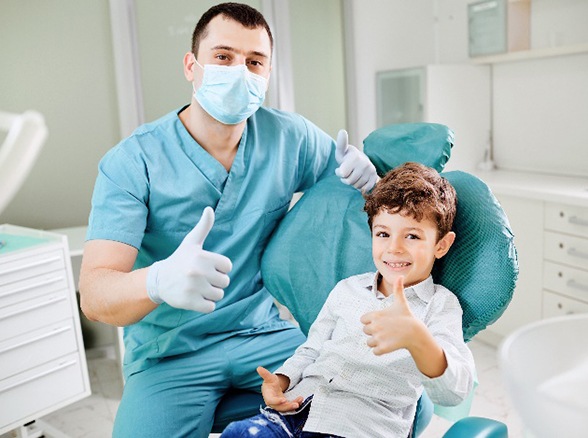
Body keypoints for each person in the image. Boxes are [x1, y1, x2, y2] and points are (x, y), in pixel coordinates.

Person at [78, 2, 377, 437]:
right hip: (170, 354)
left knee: (390, 404)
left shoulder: (289, 137)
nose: (240, 71)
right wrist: (157, 281)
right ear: (191, 65)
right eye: (223, 56)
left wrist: (371, 179)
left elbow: (370, 200)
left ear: (268, 74)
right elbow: (95, 294)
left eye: (255, 62)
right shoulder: (133, 161)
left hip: (263, 336)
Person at [221, 162, 476, 438]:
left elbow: (455, 390)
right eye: (383, 234)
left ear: (441, 245)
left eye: (412, 236)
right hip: (296, 409)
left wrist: (418, 339)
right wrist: (281, 381)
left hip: (359, 427)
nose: (394, 248)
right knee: (238, 433)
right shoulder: (347, 289)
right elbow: (312, 349)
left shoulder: (440, 305)